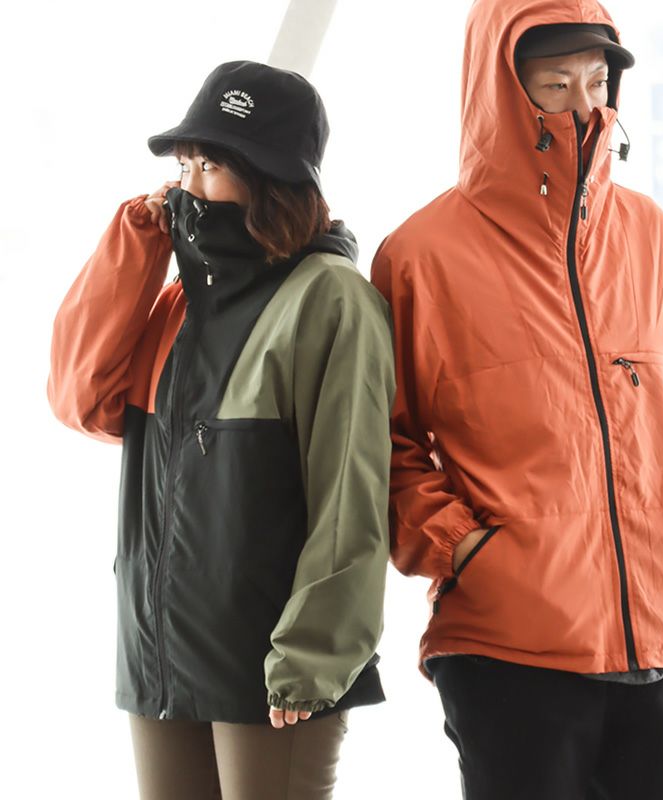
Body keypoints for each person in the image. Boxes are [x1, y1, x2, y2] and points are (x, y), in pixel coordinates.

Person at [371, 1, 663, 798]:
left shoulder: (653, 234)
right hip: (513, 651)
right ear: (501, 93)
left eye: (597, 82)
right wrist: (468, 553)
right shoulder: (421, 256)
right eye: (554, 84)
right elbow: (386, 450)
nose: (582, 106)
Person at [48, 60, 395, 800]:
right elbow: (80, 397)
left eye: (213, 165)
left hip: (270, 671)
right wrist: (136, 241)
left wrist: (311, 656)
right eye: (186, 164)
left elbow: (351, 498)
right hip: (158, 658)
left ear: (274, 180)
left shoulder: (329, 298)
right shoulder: (181, 301)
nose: (190, 186)